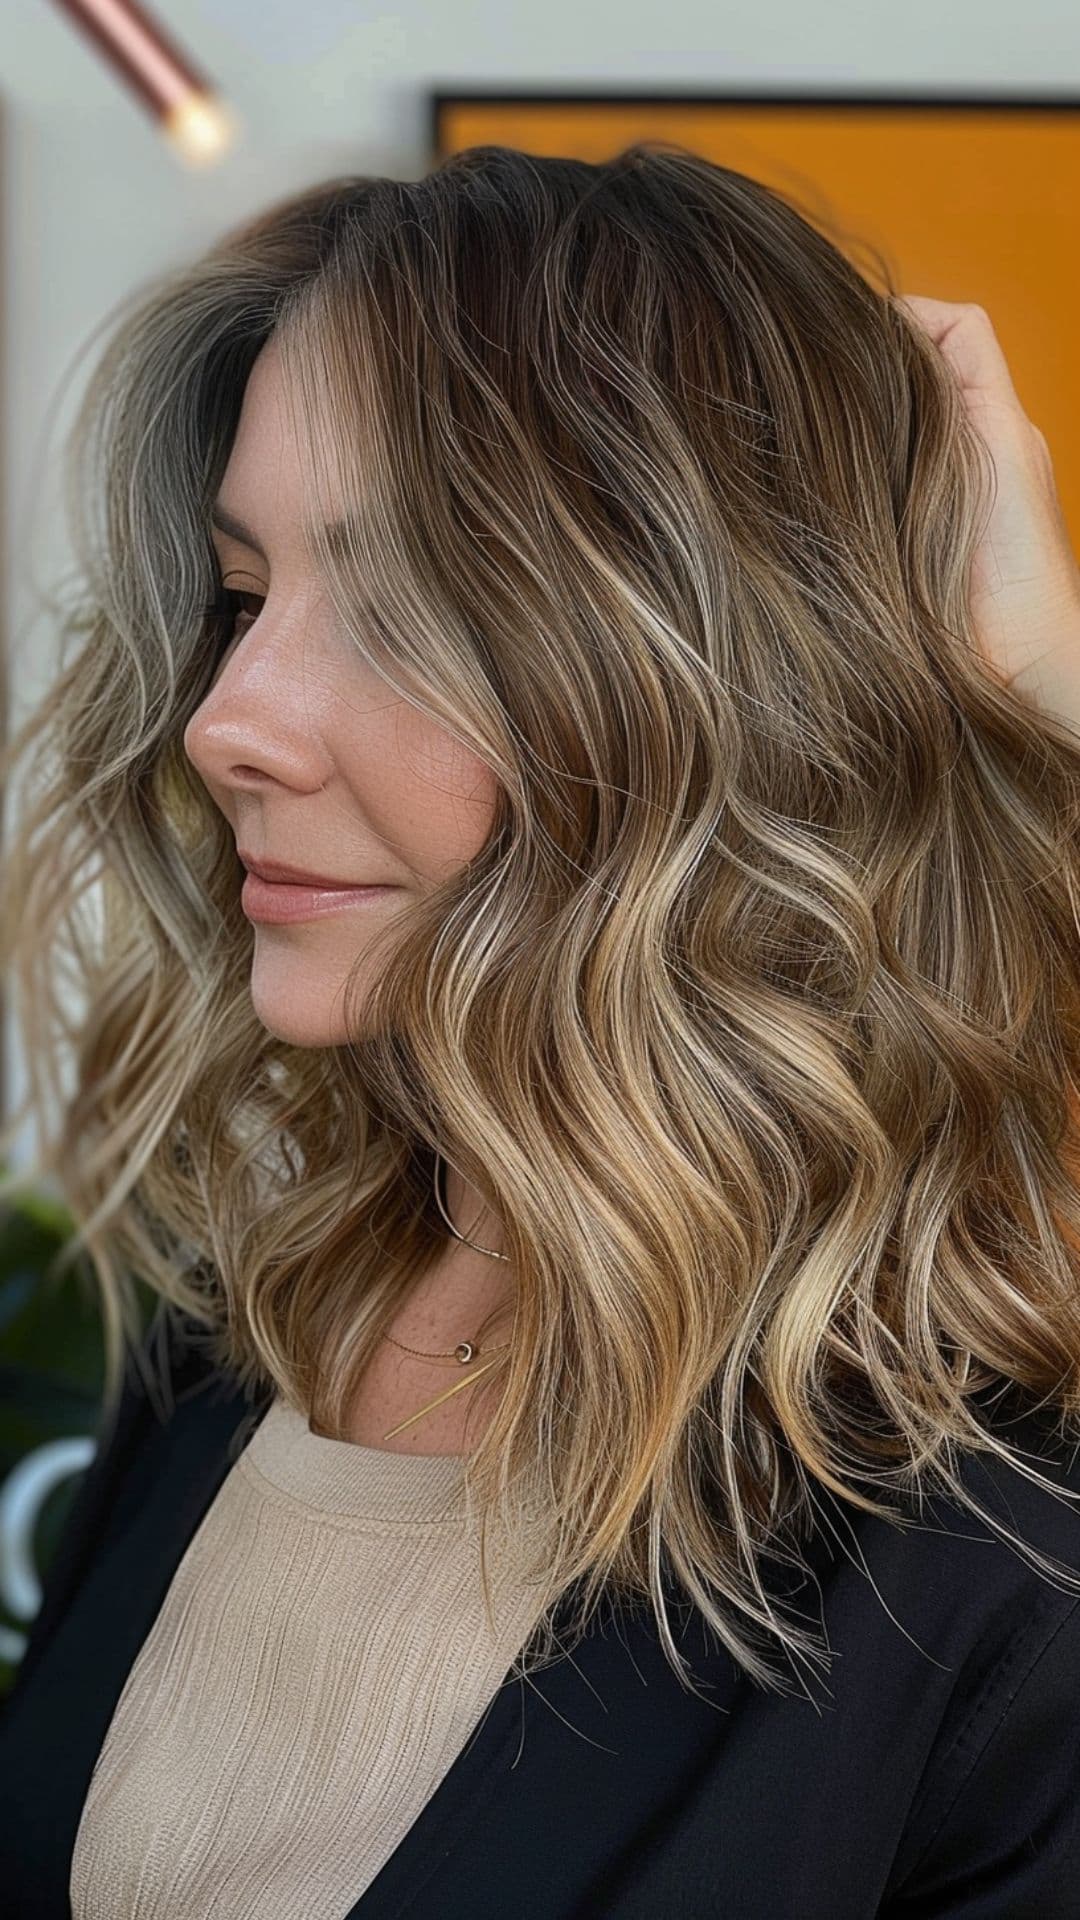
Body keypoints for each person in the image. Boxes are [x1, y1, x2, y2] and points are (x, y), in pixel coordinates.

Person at [1, 141, 1080, 1918]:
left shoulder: (990, 1574)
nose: (225, 723)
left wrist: (1029, 730)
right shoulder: (222, 1345)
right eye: (247, 598)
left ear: (722, 690)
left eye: (414, 605)